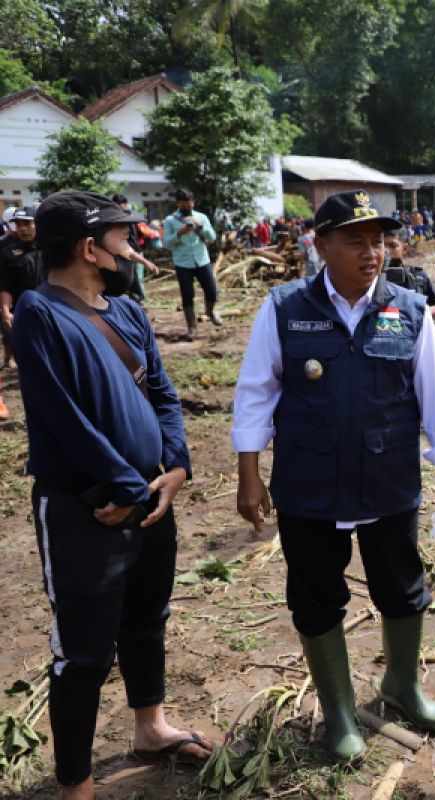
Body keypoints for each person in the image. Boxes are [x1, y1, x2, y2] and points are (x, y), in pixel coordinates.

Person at [232, 189, 435, 760]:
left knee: (402, 587)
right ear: (321, 245)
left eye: (380, 241)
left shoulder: (408, 310)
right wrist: (249, 475)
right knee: (315, 596)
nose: (373, 253)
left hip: (387, 481)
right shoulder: (286, 309)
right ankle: (338, 710)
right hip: (309, 486)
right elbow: (255, 394)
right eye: (356, 241)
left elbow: (434, 399)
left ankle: (402, 684)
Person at [14, 191, 206, 800]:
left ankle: (150, 728)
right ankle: (76, 782)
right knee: (86, 650)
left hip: (150, 497)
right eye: (124, 237)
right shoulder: (40, 313)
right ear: (87, 247)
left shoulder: (125, 311)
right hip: (85, 506)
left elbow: (166, 394)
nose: (135, 247)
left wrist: (174, 467)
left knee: (147, 619)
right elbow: (62, 418)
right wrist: (125, 488)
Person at [162, 189, 220, 341]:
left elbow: (212, 237)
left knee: (212, 291)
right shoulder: (170, 220)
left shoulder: (201, 217)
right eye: (184, 203)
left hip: (202, 260)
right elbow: (166, 243)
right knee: (187, 295)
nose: (187, 205)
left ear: (193, 202)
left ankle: (210, 312)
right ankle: (192, 328)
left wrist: (202, 227)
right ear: (178, 203)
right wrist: (179, 234)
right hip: (183, 263)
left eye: (189, 203)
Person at [0, 206, 42, 418]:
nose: (23, 229)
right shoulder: (7, 249)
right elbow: (5, 283)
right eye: (19, 224)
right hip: (21, 312)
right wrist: (6, 310)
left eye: (28, 223)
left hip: (51, 311)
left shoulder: (51, 245)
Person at [383, 230, 435, 322]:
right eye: (382, 246)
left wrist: (422, 312)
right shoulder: (370, 279)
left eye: (393, 246)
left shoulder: (418, 276)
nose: (387, 251)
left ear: (405, 248)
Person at [111, 194, 160, 303]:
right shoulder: (117, 220)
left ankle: (138, 299)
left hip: (133, 251)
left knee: (136, 279)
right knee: (131, 279)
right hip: (124, 253)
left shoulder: (131, 218)